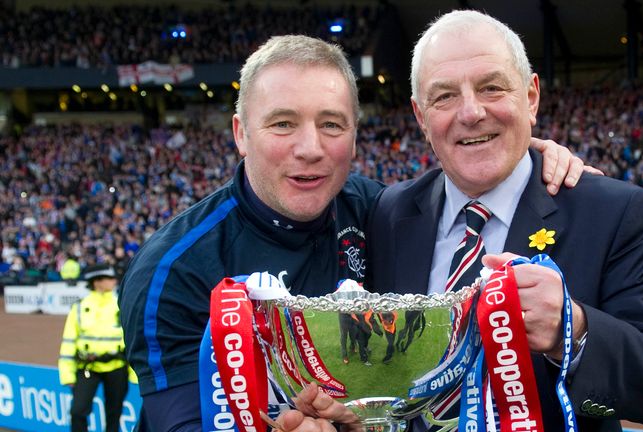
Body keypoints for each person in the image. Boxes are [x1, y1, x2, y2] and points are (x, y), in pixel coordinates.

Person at [118, 34, 588, 432]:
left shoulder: (377, 210)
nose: (311, 148)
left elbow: (472, 178)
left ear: (355, 136)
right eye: (283, 124)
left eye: (331, 124)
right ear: (241, 133)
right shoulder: (172, 270)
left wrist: (527, 158)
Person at [366, 10, 643, 431]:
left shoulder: (614, 213)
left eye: (492, 87)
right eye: (444, 96)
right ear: (420, 116)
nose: (470, 112)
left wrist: (574, 330)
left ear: (530, 97)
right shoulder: (386, 213)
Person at [59, 264, 134, 432]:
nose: (114, 280)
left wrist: (134, 373)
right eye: (109, 278)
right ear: (97, 282)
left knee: (114, 415)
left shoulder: (122, 304)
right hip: (87, 367)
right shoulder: (79, 307)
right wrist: (67, 374)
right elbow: (69, 342)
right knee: (78, 411)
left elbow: (131, 338)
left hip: (118, 367)